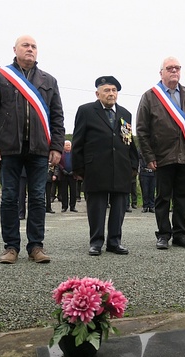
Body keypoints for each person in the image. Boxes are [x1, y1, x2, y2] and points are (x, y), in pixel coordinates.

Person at [0, 35, 65, 264]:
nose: (30, 49)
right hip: (9, 148)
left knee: (38, 197)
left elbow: (57, 116)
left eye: (34, 46)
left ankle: (36, 246)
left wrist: (57, 146)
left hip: (39, 149)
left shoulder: (49, 80)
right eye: (26, 46)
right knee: (9, 197)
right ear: (15, 49)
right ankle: (11, 247)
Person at [136, 56, 185, 250]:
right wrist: (149, 156)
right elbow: (142, 130)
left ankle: (180, 235)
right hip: (162, 156)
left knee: (183, 196)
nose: (174, 71)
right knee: (163, 197)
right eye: (169, 68)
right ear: (161, 73)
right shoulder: (150, 96)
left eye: (177, 68)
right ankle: (163, 234)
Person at [72, 76, 139, 256]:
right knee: (97, 206)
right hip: (95, 168)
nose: (111, 94)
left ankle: (115, 242)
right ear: (98, 93)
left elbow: (128, 141)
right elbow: (78, 140)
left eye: (114, 91)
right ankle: (96, 242)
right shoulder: (86, 111)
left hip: (121, 167)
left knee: (119, 207)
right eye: (107, 90)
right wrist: (78, 168)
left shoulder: (125, 114)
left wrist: (134, 164)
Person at [58, 140, 78, 212]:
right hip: (64, 175)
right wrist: (63, 170)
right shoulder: (61, 154)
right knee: (64, 192)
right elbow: (58, 163)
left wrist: (73, 170)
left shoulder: (74, 154)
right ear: (64, 146)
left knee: (73, 191)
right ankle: (64, 206)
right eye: (66, 145)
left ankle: (72, 207)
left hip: (73, 175)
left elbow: (77, 162)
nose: (68, 146)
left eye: (69, 145)